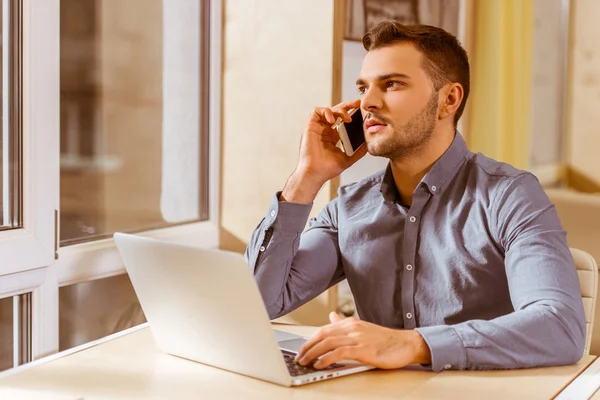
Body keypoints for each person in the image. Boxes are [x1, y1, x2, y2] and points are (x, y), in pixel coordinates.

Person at [244, 21, 585, 372]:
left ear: (448, 100)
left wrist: (413, 345)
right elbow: (257, 304)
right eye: (363, 88)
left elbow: (560, 326)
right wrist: (305, 179)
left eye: (391, 84)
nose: (368, 103)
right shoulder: (349, 207)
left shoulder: (509, 195)